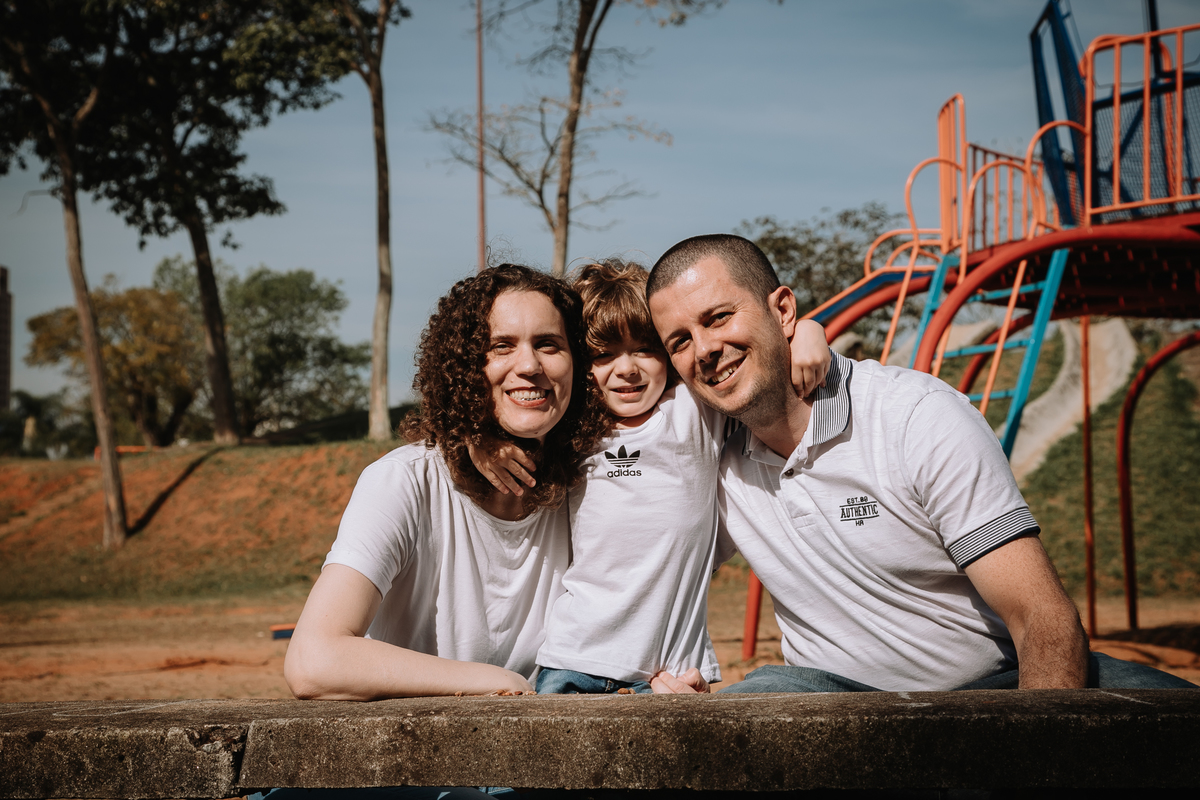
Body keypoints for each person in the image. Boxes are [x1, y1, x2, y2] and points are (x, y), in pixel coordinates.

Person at [645, 233, 1195, 693]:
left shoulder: (914, 416)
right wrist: (661, 679)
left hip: (987, 687)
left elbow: (1040, 615)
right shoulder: (709, 456)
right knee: (748, 708)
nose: (704, 349)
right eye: (680, 341)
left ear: (784, 310)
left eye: (719, 317)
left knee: (1166, 718)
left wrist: (1035, 759)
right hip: (833, 698)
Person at [470, 260, 831, 695]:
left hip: (666, 675)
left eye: (644, 349)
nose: (626, 369)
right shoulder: (572, 428)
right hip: (572, 661)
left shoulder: (695, 411)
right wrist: (478, 441)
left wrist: (808, 331)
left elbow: (758, 364)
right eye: (604, 355)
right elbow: (500, 417)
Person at [283, 264, 610, 703]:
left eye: (548, 344)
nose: (529, 365)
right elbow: (313, 662)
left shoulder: (594, 484)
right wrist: (498, 683)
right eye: (501, 346)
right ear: (463, 366)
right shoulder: (404, 481)